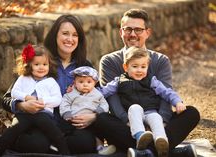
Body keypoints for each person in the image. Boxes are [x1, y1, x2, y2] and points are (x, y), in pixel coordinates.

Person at [95, 9, 200, 157]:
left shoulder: (161, 60)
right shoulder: (109, 61)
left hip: (157, 120)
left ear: (147, 32)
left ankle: (144, 151)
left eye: (138, 29)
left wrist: (161, 122)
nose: (133, 34)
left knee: (191, 113)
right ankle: (167, 152)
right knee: (101, 119)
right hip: (126, 124)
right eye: (128, 29)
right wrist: (128, 122)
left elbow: (165, 94)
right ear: (121, 32)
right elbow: (112, 99)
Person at [1, 14, 98, 155]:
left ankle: (55, 146)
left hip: (71, 125)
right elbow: (7, 98)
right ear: (55, 35)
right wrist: (22, 105)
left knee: (85, 144)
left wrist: (93, 116)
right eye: (65, 33)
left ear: (79, 39)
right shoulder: (41, 61)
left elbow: (99, 95)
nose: (70, 39)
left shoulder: (85, 66)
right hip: (41, 122)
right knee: (34, 144)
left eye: (75, 35)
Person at [0, 44, 70, 156]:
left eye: (45, 64)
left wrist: (43, 101)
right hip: (24, 113)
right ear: (29, 65)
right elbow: (14, 92)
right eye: (37, 64)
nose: (41, 67)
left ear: (50, 65)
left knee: (52, 129)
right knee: (14, 129)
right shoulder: (23, 78)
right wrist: (26, 97)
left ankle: (65, 151)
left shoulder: (51, 82)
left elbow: (57, 99)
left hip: (43, 114)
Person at [118, 46, 188, 157]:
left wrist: (178, 102)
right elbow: (104, 91)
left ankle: (161, 141)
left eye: (143, 66)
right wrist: (89, 93)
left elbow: (167, 92)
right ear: (126, 67)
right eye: (135, 66)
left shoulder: (152, 80)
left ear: (147, 67)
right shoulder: (119, 81)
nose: (139, 70)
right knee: (134, 107)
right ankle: (141, 137)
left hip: (151, 111)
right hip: (134, 116)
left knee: (156, 118)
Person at [60, 66, 116, 155]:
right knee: (67, 130)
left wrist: (98, 112)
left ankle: (101, 147)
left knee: (98, 131)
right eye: (81, 82)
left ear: (95, 83)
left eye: (89, 82)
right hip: (74, 120)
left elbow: (104, 104)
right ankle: (59, 143)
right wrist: (67, 113)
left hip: (92, 119)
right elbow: (64, 103)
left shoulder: (97, 94)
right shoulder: (71, 93)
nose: (85, 84)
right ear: (74, 82)